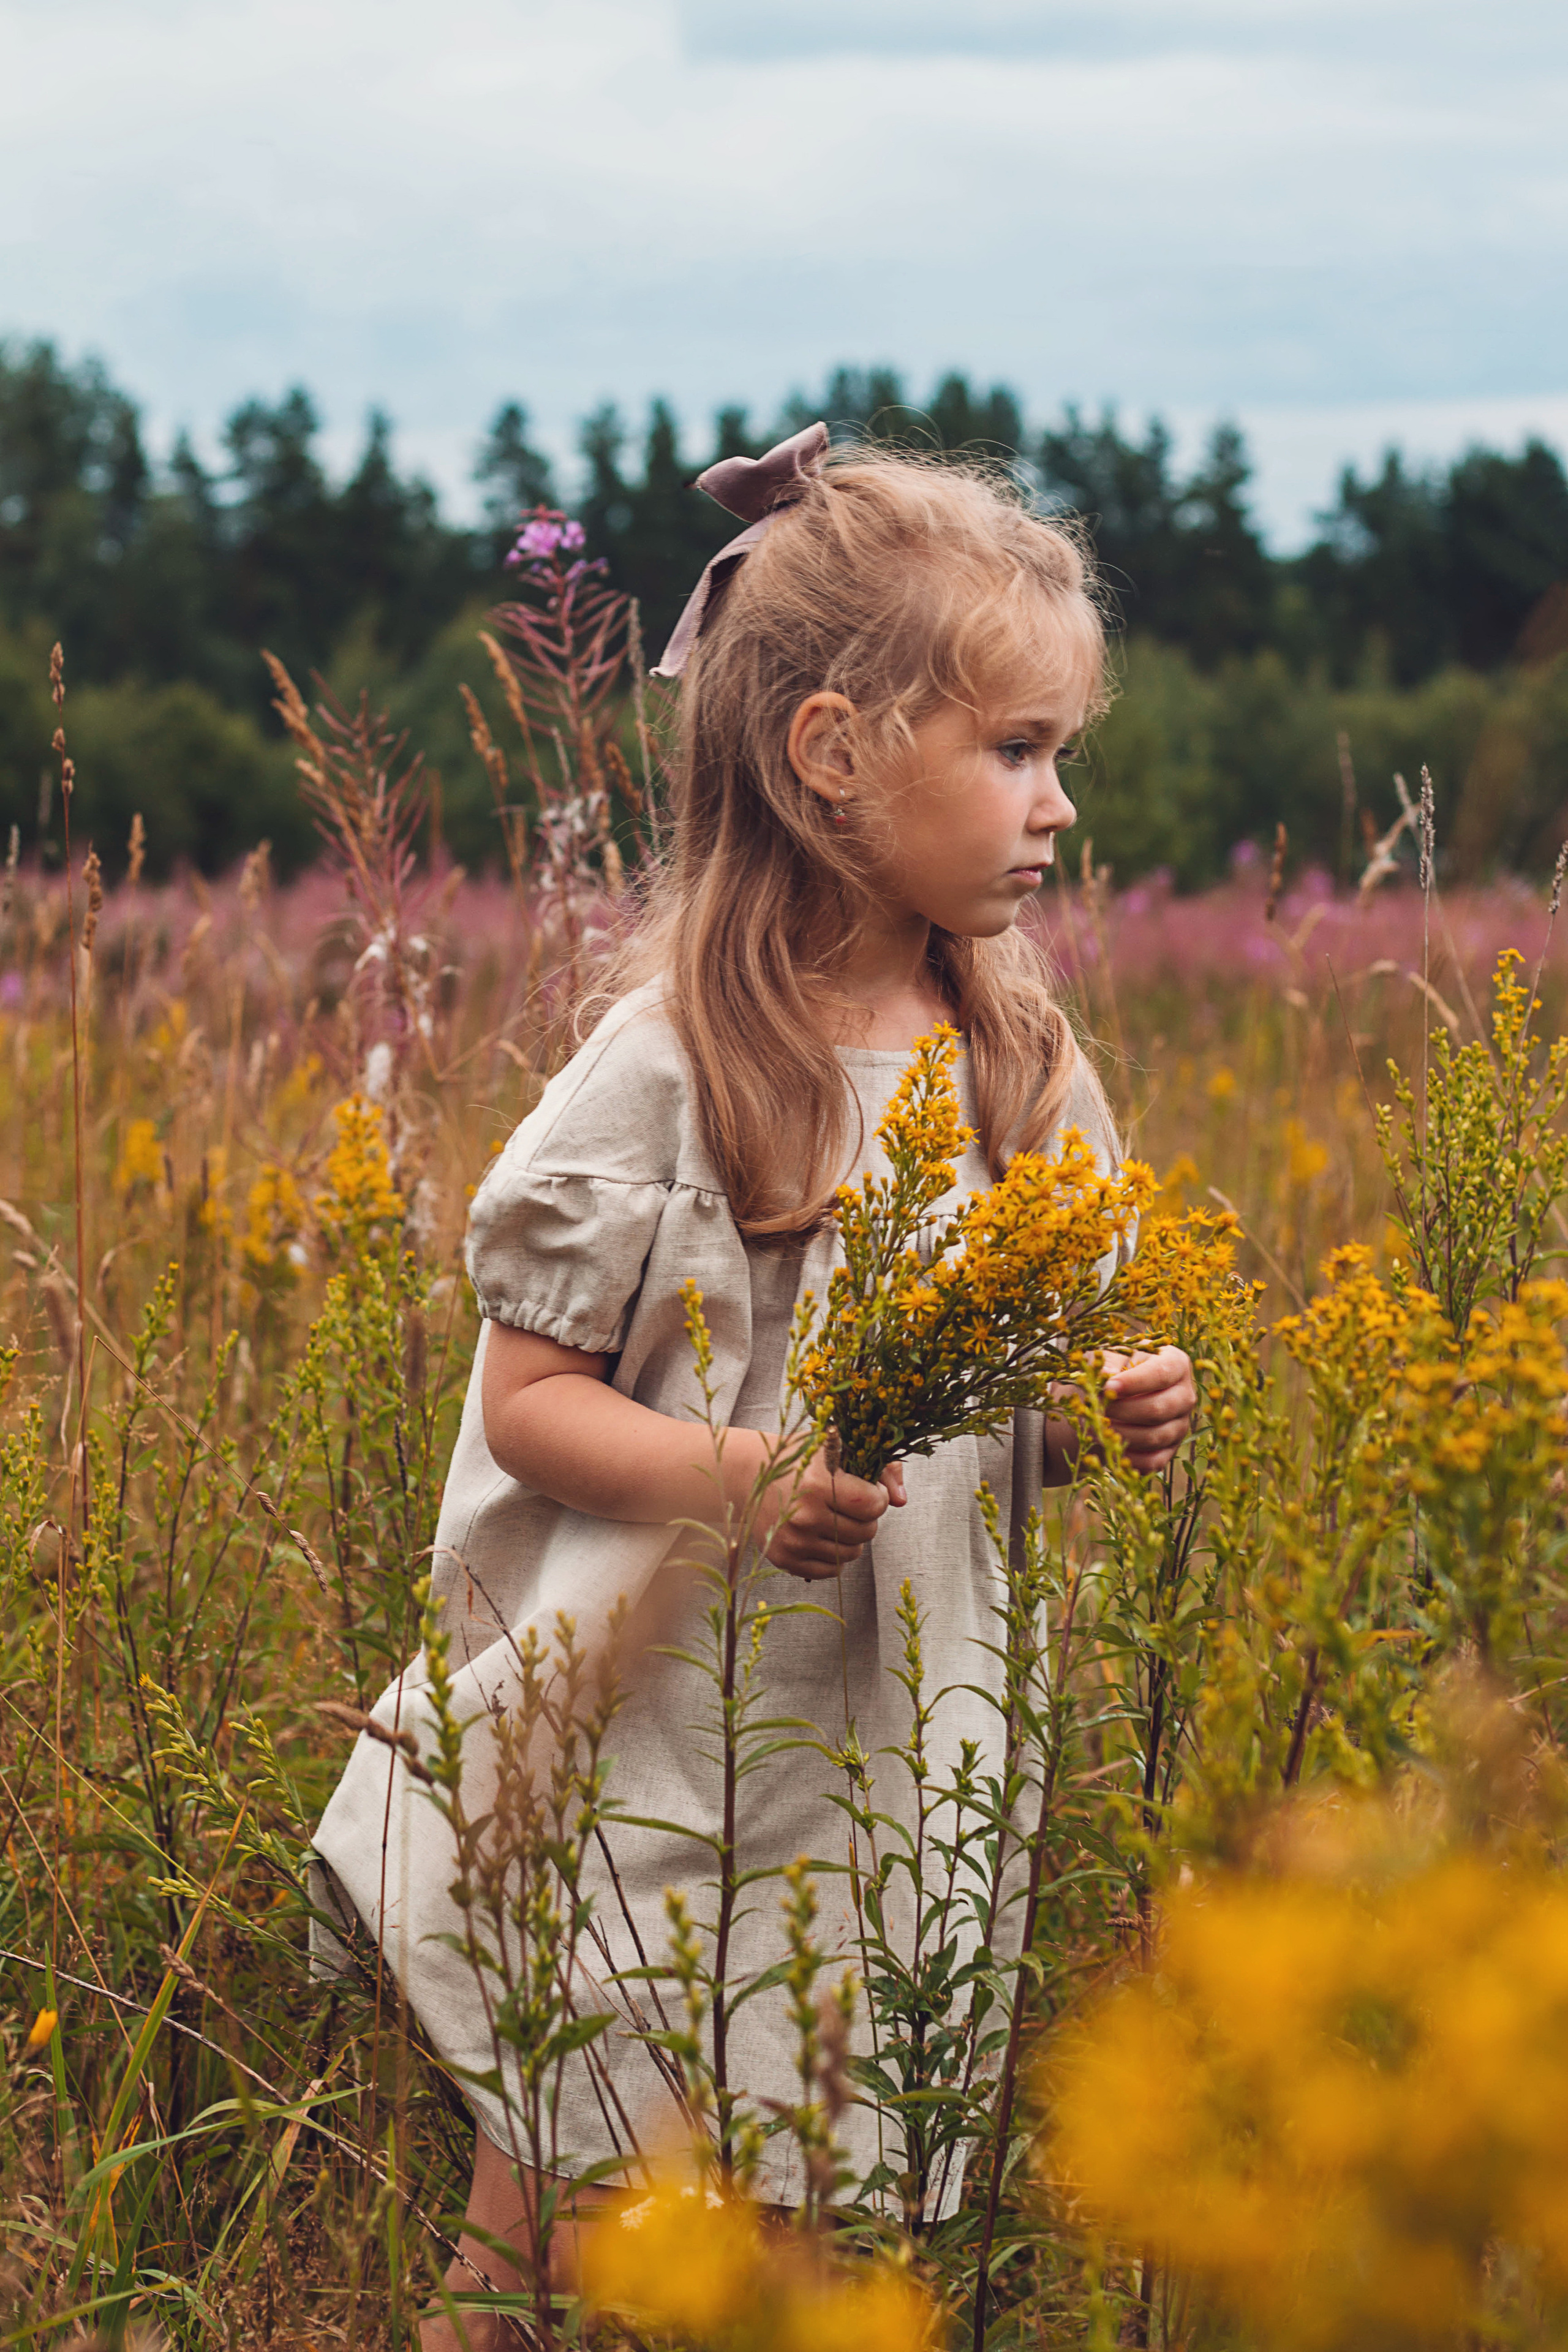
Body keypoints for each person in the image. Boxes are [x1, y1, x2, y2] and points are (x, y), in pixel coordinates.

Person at [310, 424, 1197, 2348]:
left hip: (890, 1749)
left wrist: (1104, 1407)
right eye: (1018, 750)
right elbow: (529, 1405)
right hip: (650, 1734)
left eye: (1065, 755)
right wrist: (748, 1468)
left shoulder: (1025, 1063)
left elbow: (1018, 1400)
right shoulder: (671, 1065)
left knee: (810, 2237)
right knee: (559, 2209)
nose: (1057, 805)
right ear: (831, 756)